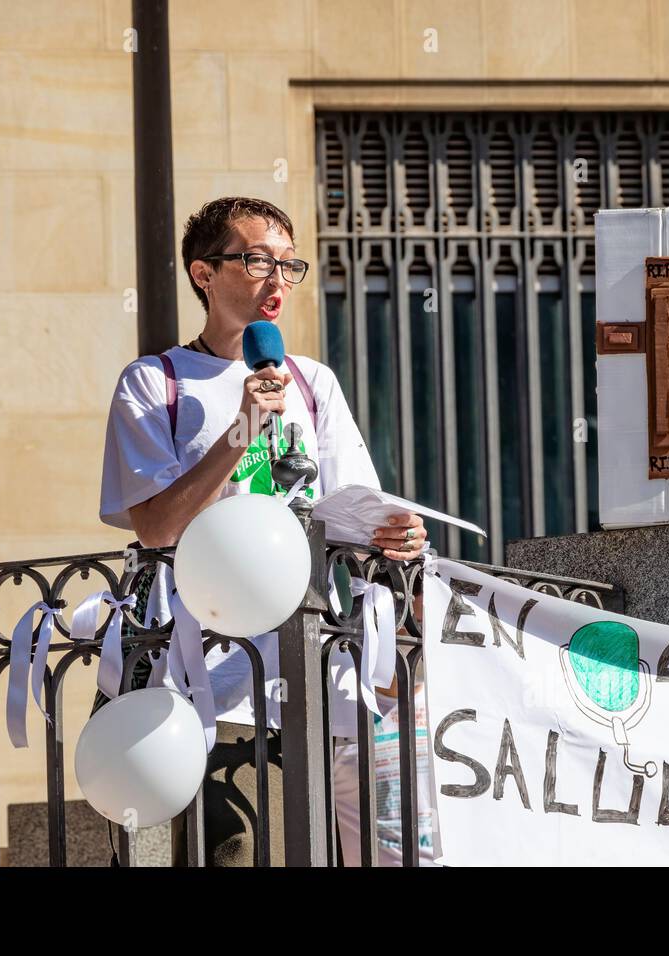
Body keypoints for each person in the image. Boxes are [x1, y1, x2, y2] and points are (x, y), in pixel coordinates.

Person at [97, 196, 426, 866]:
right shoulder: (155, 383)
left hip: (319, 666)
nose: (278, 279)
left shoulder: (312, 382)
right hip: (209, 675)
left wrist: (397, 534)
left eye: (289, 265)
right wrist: (241, 430)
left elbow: (353, 509)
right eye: (256, 261)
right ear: (204, 273)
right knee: (236, 849)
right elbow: (156, 527)